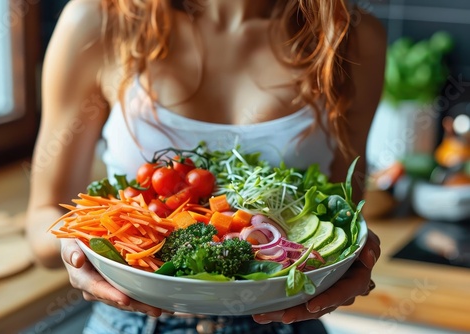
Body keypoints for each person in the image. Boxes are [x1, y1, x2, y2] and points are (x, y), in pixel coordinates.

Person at [26, 0, 384, 332]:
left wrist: (353, 263)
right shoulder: (99, 18)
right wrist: (76, 249)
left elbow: (343, 216)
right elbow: (43, 218)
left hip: (286, 322)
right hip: (132, 322)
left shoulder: (350, 35)